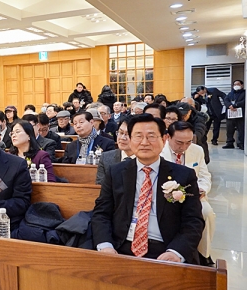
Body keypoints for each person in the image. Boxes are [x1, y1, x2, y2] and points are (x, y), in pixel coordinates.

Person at [92, 114, 205, 264]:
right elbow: (101, 214)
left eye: (151, 136)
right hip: (120, 246)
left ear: (164, 140)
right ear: (131, 140)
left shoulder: (183, 175)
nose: (144, 142)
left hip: (165, 248)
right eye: (138, 136)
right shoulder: (116, 172)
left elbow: (194, 221)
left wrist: (176, 252)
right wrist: (105, 246)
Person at [160, 121, 214, 265]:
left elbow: (204, 175)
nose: (183, 147)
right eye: (179, 142)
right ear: (168, 137)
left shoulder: (197, 150)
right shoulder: (159, 151)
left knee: (207, 213)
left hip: (193, 195)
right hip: (165, 195)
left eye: (188, 142)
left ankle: (204, 254)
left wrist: (202, 189)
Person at [96, 116, 134, 184]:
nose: (122, 138)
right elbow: (100, 187)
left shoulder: (147, 159)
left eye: (128, 134)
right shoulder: (106, 157)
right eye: (121, 133)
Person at [223, 80, 245, 150]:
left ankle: (241, 143)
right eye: (234, 84)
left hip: (240, 114)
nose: (236, 86)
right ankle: (230, 143)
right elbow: (226, 100)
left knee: (241, 130)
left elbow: (244, 101)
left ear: (242, 85)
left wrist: (235, 105)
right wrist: (230, 106)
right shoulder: (230, 93)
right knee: (229, 130)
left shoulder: (244, 93)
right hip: (230, 114)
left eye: (237, 84)